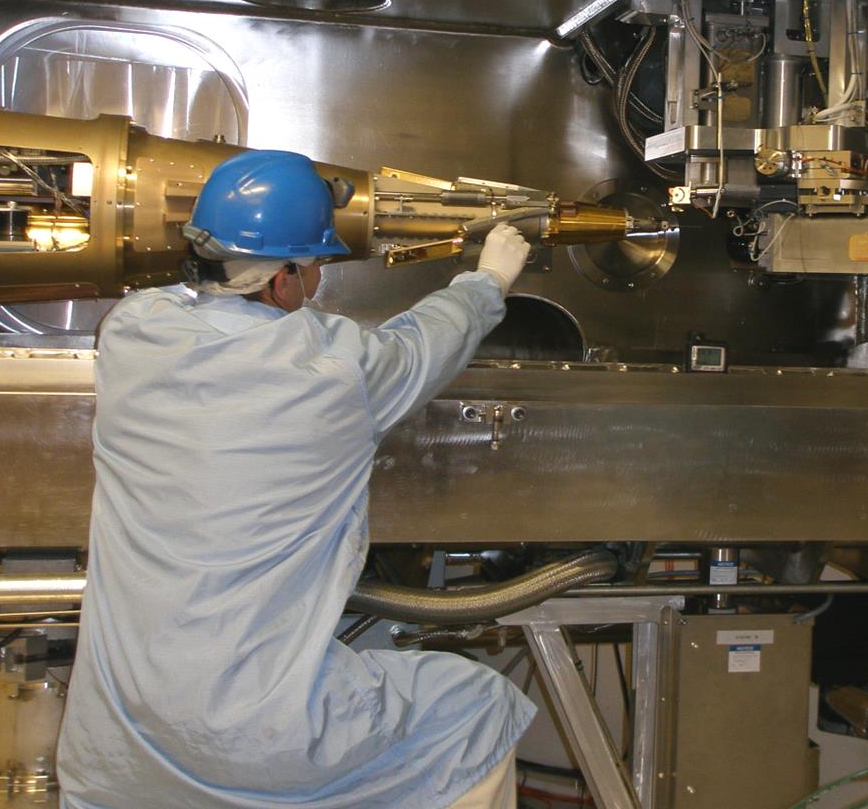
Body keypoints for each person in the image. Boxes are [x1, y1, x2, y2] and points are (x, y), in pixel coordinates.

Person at [56, 149, 536, 809]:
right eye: (311, 268)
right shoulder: (337, 368)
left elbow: (189, 293)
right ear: (281, 282)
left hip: (116, 742)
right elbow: (425, 345)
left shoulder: (132, 330)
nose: (314, 284)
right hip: (256, 739)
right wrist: (486, 282)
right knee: (475, 707)